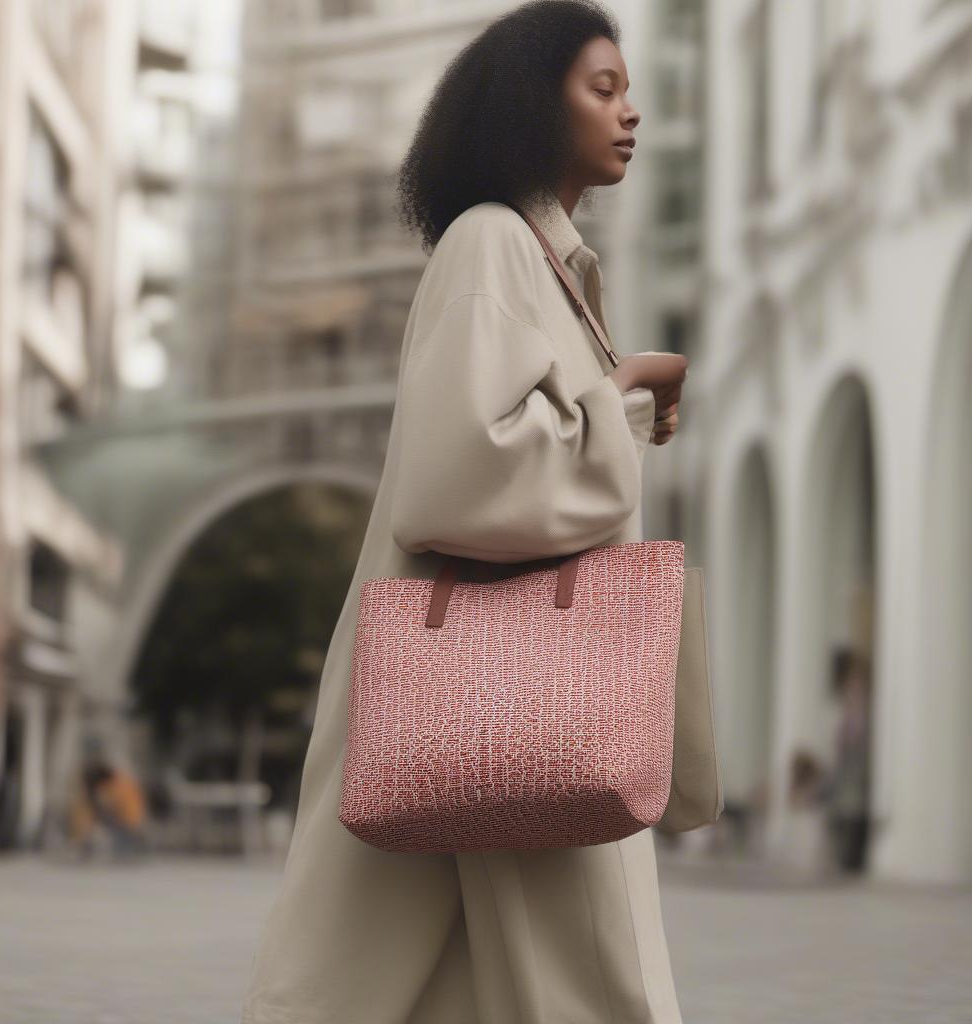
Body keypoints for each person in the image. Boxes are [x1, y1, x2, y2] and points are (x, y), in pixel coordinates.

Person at [241, 2, 688, 1021]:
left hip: (490, 699)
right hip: (510, 691)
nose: (632, 114)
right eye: (603, 88)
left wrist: (614, 375)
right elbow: (463, 473)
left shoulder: (545, 267)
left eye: (629, 90)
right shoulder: (492, 245)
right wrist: (622, 398)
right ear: (535, 105)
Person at [821, 646, 873, 874]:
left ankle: (846, 860)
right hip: (845, 780)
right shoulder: (845, 707)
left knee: (849, 821)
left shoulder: (861, 706)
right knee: (843, 818)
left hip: (855, 781)